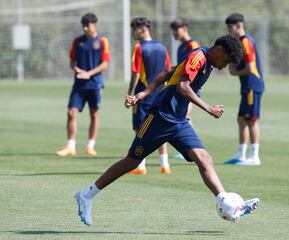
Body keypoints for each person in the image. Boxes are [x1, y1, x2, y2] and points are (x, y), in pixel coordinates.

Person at [75, 34, 259, 226]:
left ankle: (225, 202)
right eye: (226, 61)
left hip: (179, 121)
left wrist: (144, 92)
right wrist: (208, 108)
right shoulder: (199, 57)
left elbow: (168, 71)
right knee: (132, 161)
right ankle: (87, 195)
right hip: (160, 117)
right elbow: (182, 86)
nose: (224, 66)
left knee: (204, 158)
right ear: (220, 50)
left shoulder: (208, 64)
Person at [56, 13, 111, 157]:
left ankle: (90, 146)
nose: (86, 28)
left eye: (88, 25)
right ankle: (70, 146)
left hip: (95, 84)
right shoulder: (77, 41)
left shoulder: (103, 41)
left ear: (95, 24)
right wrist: (77, 69)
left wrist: (89, 73)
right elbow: (72, 62)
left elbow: (104, 64)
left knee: (94, 114)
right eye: (84, 26)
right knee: (71, 112)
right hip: (79, 84)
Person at [125, 17, 172, 175]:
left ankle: (140, 166)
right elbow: (168, 70)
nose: (132, 32)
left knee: (140, 129)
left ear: (143, 29)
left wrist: (130, 94)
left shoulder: (138, 48)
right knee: (160, 128)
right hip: (159, 94)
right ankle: (165, 165)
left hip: (143, 95)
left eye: (134, 29)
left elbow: (136, 73)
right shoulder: (162, 47)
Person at [223, 13, 265, 166]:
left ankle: (254, 157)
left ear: (238, 26)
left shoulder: (246, 41)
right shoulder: (240, 41)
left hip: (253, 86)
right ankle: (241, 154)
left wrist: (235, 72)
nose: (229, 31)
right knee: (241, 119)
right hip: (247, 87)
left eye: (230, 28)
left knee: (251, 120)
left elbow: (251, 68)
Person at [170, 17, 201, 159]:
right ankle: (191, 148)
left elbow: (198, 65)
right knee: (183, 117)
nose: (175, 33)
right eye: (173, 31)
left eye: (177, 30)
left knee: (184, 117)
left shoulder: (192, 44)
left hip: (190, 87)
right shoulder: (181, 47)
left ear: (184, 29)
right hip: (181, 87)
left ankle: (194, 148)